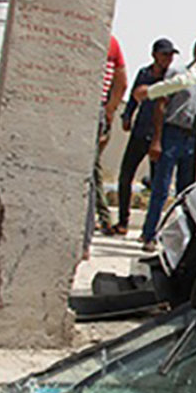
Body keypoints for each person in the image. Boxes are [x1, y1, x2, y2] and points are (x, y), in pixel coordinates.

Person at [133, 19, 196, 249]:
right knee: (161, 189)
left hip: (195, 136)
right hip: (176, 134)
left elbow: (188, 81)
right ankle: (150, 236)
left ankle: (177, 242)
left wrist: (148, 92)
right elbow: (165, 103)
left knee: (185, 193)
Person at [114, 38, 177, 235]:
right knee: (126, 177)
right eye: (165, 54)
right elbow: (134, 97)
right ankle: (123, 221)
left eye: (171, 55)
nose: (168, 58)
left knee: (157, 185)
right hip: (140, 132)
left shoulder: (171, 78)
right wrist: (127, 116)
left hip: (159, 135)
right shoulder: (145, 73)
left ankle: (150, 229)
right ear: (155, 55)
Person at [87, 35, 127, 245]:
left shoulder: (107, 42)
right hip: (99, 112)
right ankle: (99, 222)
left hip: (91, 112)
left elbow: (121, 82)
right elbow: (122, 83)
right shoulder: (111, 42)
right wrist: (109, 111)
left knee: (90, 173)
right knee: (91, 171)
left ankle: (97, 223)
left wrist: (109, 111)